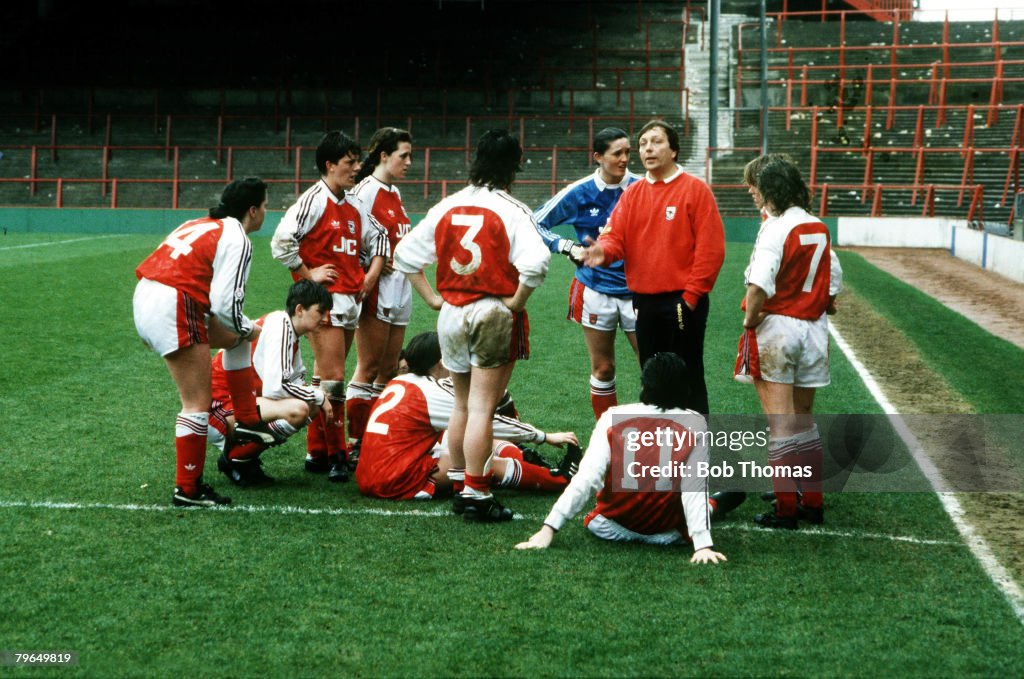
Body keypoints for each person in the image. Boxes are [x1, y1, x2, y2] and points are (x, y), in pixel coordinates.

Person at [394, 129, 551, 522]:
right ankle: (478, 494)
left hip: (451, 312)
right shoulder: (512, 208)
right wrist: (516, 301)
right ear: (514, 165)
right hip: (491, 310)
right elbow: (536, 263)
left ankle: (464, 484)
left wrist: (431, 298)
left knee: (462, 404)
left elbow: (405, 254)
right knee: (483, 406)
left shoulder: (449, 203)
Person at [515, 353, 745, 563]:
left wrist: (548, 529)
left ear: (644, 384)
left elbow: (586, 479)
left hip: (610, 528)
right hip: (667, 535)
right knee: (705, 502)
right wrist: (702, 545)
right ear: (685, 388)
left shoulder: (613, 417)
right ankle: (717, 503)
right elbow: (693, 491)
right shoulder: (695, 423)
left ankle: (718, 501)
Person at [133, 177, 272, 507]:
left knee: (235, 341)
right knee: (197, 402)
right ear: (252, 210)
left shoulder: (200, 222)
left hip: (148, 295)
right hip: (175, 302)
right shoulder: (237, 237)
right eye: (266, 206)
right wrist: (248, 328)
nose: (267, 211)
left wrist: (240, 332)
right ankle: (188, 489)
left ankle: (247, 421)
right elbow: (225, 304)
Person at [580, 120, 725, 415]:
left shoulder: (695, 191)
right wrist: (602, 252)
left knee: (687, 374)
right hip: (645, 303)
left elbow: (711, 251)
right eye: (643, 143)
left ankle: (697, 449)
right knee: (653, 376)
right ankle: (658, 447)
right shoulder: (632, 194)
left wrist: (690, 298)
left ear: (674, 150)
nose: (648, 148)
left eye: (656, 141)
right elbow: (614, 239)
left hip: (683, 301)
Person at [271, 130, 390, 484]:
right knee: (336, 379)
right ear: (329, 165)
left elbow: (380, 237)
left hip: (351, 298)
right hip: (324, 304)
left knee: (326, 377)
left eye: (357, 161)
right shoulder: (314, 200)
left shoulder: (354, 202)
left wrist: (370, 276)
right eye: (349, 162)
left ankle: (317, 451)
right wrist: (307, 275)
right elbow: (281, 242)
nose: (356, 168)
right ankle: (338, 455)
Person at [733, 157, 843, 529]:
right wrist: (824, 302)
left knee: (779, 424)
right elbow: (834, 278)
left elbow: (759, 282)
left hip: (778, 328)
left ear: (769, 192)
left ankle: (784, 510)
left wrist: (750, 319)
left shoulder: (775, 227)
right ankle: (811, 500)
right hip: (813, 330)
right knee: (804, 421)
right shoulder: (818, 225)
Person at [355, 332, 582, 501]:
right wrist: (544, 436)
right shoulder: (431, 394)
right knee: (480, 457)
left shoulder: (400, 381)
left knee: (471, 439)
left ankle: (525, 460)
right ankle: (559, 479)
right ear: (442, 361)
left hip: (369, 471)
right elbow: (485, 421)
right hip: (393, 477)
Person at [533, 127, 640, 419]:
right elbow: (533, 222)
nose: (624, 159)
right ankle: (609, 439)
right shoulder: (579, 192)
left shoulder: (643, 187)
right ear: (597, 157)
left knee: (652, 366)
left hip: (639, 291)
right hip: (596, 288)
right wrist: (566, 246)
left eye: (628, 152)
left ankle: (653, 439)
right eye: (617, 153)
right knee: (603, 368)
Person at [207, 279, 334, 487]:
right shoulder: (280, 325)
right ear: (300, 309)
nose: (325, 318)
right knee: (299, 409)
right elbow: (276, 388)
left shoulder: (290, 331)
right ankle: (236, 457)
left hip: (241, 404)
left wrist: (315, 396)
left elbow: (296, 381)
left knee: (308, 405)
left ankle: (244, 457)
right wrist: (318, 395)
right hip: (218, 409)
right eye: (321, 312)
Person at [345, 128, 415, 467]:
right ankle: (356, 441)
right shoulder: (365, 191)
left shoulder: (394, 193)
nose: (409, 162)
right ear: (384, 155)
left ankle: (377, 438)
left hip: (401, 285)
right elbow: (348, 230)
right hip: (378, 289)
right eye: (403, 155)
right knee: (368, 366)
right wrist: (368, 265)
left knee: (389, 367)